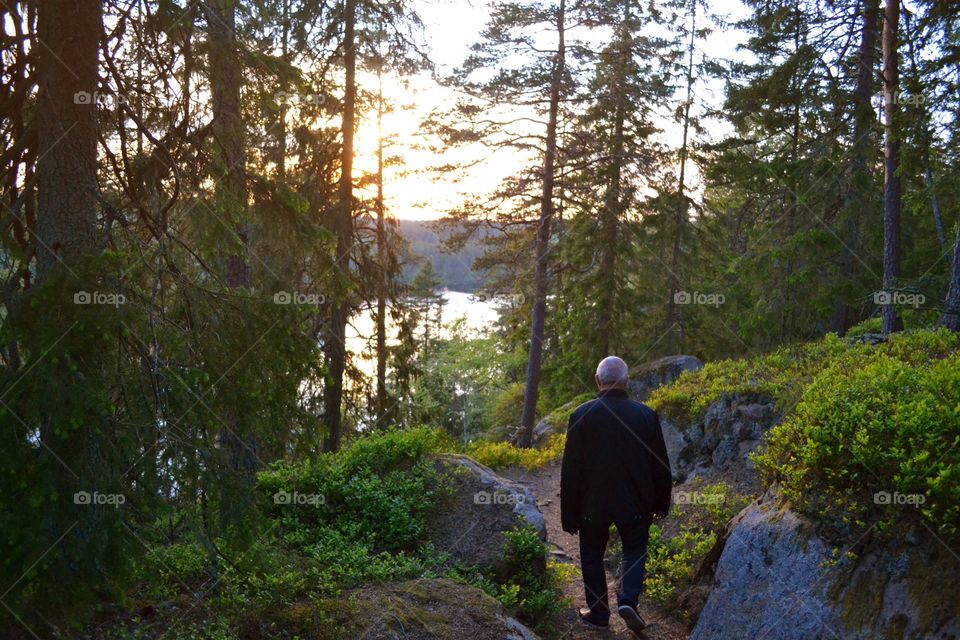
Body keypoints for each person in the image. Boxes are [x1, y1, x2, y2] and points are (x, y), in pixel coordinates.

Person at [560, 356, 672, 635]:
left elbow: (570, 470)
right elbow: (661, 465)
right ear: (627, 381)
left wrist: (568, 513)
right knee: (634, 550)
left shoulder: (581, 415)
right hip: (635, 502)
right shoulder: (645, 415)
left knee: (591, 554)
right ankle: (628, 601)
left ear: (598, 381)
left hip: (592, 504)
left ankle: (598, 613)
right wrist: (662, 501)